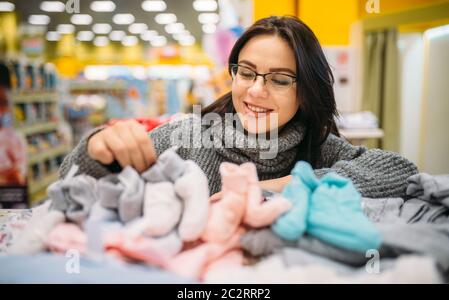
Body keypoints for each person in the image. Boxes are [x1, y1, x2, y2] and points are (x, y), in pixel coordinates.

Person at [60, 16, 417, 199]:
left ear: (305, 92)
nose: (256, 90)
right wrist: (97, 150)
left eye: (279, 79)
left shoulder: (320, 149)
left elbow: (402, 172)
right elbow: (70, 182)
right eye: (246, 73)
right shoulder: (189, 136)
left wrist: (286, 184)